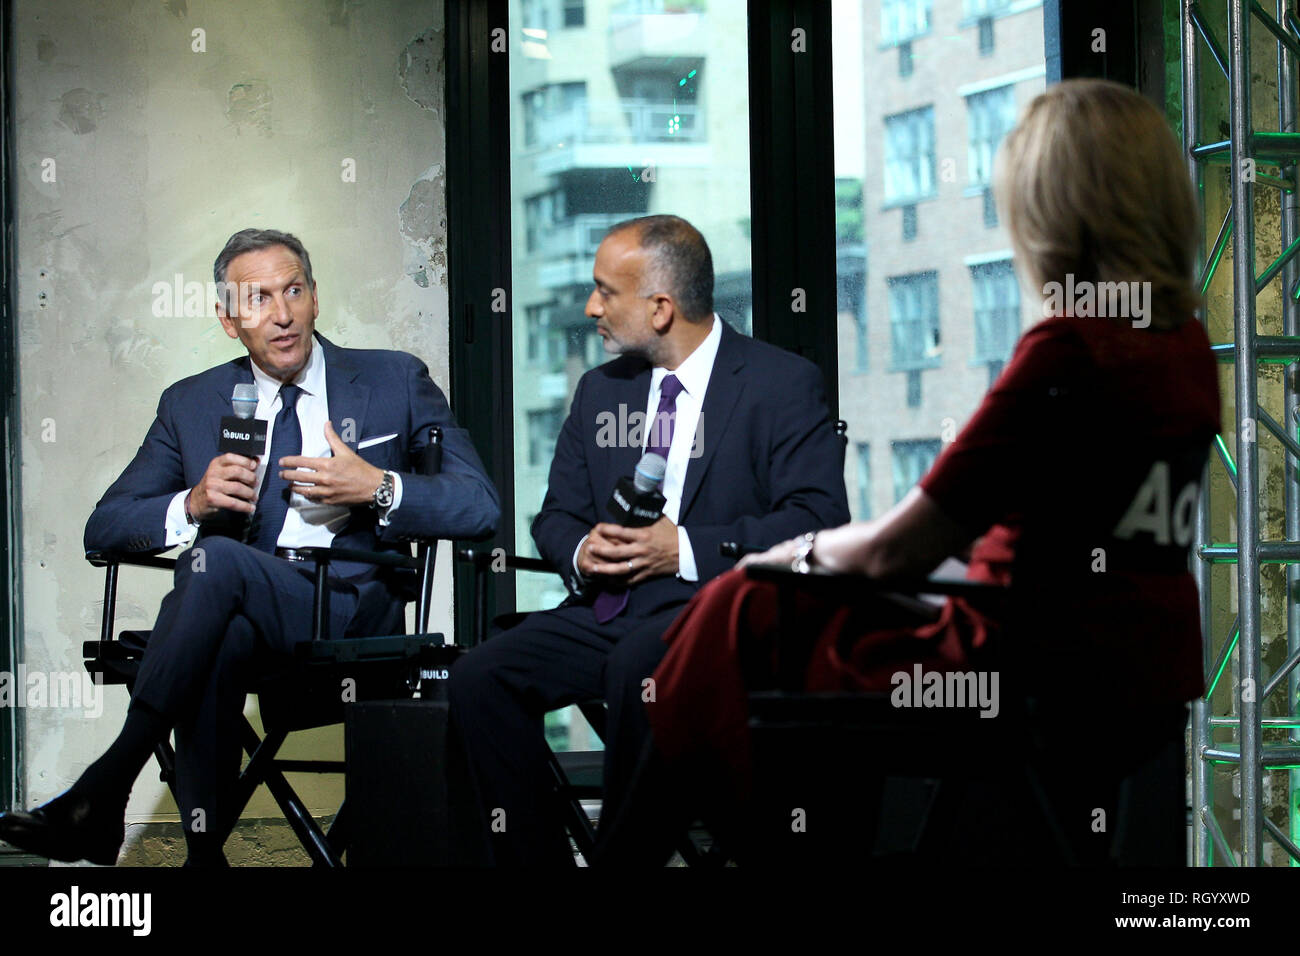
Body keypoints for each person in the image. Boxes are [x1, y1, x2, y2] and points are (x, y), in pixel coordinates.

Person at [595, 79, 1221, 866]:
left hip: (1009, 662)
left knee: (728, 618)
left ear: (1056, 211)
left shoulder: (1071, 350)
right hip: (1126, 670)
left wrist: (793, 555)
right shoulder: (1184, 352)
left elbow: (902, 547)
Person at [0, 228, 499, 866]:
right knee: (217, 627)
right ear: (229, 319)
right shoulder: (191, 402)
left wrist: (378, 486)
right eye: (257, 299)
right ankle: (204, 858)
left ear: (316, 297)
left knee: (211, 564)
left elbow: (480, 506)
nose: (282, 314)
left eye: (293, 290)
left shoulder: (393, 379)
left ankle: (104, 790)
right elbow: (105, 527)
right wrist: (193, 504)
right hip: (236, 611)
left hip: (349, 609)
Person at [448, 214, 850, 866]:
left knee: (642, 666)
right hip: (610, 607)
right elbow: (555, 516)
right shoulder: (600, 390)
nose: (591, 307)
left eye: (606, 291)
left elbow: (816, 521)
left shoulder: (780, 383)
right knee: (479, 677)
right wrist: (581, 551)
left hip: (718, 612)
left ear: (661, 308)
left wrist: (683, 547)